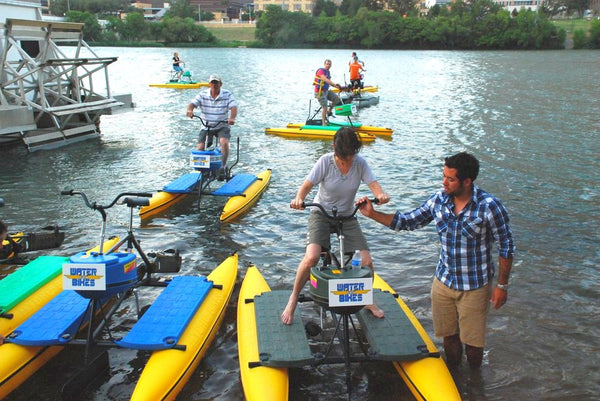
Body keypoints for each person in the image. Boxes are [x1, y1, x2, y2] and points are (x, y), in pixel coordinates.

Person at [357, 152, 515, 369]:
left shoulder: (489, 206)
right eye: (444, 176)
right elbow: (407, 221)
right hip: (443, 282)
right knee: (448, 337)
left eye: (450, 179)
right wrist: (372, 214)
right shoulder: (438, 200)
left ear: (467, 182)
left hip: (475, 286)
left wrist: (502, 286)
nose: (444, 183)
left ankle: (475, 379)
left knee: (473, 344)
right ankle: (455, 377)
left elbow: (506, 247)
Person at [281, 127, 391, 325]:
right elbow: (307, 186)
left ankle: (367, 300)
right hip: (321, 213)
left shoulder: (360, 163)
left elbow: (373, 184)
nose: (348, 161)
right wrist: (299, 199)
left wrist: (381, 195)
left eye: (351, 156)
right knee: (312, 256)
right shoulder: (325, 161)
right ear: (335, 148)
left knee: (366, 261)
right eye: (344, 157)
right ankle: (293, 298)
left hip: (348, 216)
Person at [186, 74, 237, 179]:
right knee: (200, 147)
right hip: (206, 125)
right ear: (209, 84)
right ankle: (202, 169)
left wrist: (232, 118)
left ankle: (222, 166)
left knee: (224, 142)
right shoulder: (202, 94)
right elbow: (192, 103)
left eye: (216, 82)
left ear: (220, 84)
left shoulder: (227, 94)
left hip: (222, 124)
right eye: (212, 82)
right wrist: (190, 110)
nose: (214, 85)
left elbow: (233, 107)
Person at [313, 59, 341, 125]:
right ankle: (323, 123)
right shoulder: (320, 71)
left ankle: (329, 111)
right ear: (324, 64)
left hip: (326, 91)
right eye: (327, 64)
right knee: (324, 107)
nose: (328, 65)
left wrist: (337, 85)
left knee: (336, 99)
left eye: (329, 64)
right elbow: (325, 80)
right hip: (319, 92)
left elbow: (329, 82)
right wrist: (334, 85)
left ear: (331, 65)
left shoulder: (328, 72)